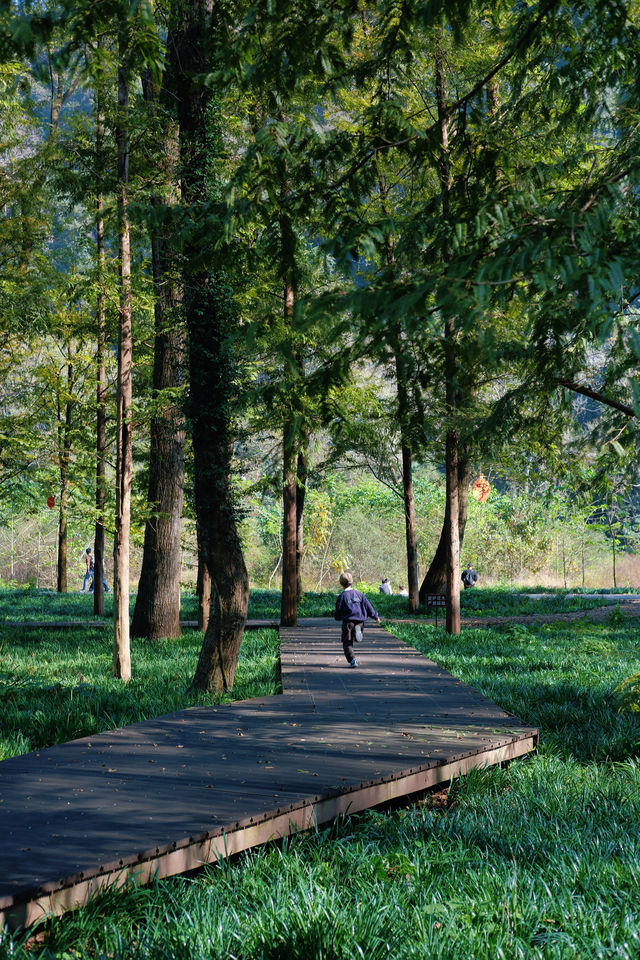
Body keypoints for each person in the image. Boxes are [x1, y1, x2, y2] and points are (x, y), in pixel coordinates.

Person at [334, 571, 381, 668]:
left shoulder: (342, 596)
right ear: (352, 582)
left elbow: (338, 611)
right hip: (360, 621)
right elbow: (368, 607)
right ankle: (358, 632)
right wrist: (376, 617)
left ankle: (353, 659)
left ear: (341, 583)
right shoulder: (360, 594)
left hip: (348, 622)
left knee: (347, 642)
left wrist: (337, 617)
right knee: (356, 633)